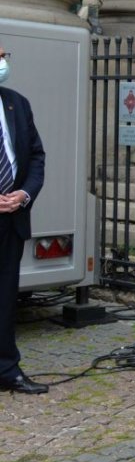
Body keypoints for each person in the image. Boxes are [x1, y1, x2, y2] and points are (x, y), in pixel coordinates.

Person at [0, 45, 47, 395]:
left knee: (5, 297)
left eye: (5, 56)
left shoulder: (17, 103)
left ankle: (7, 370)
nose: (3, 64)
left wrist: (24, 194)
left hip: (12, 220)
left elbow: (35, 155)